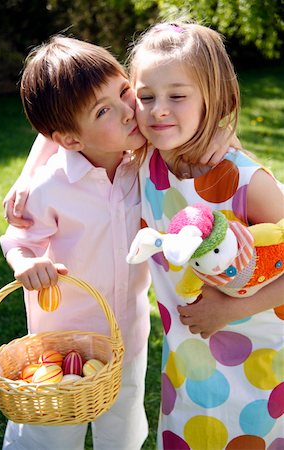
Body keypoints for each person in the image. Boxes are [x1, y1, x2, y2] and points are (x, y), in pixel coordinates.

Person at [126, 20, 284, 449]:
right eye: (145, 97)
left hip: (263, 360)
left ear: (213, 100)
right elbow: (67, 115)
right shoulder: (145, 162)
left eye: (177, 96)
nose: (158, 109)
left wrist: (233, 310)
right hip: (188, 360)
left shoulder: (249, 182)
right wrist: (32, 175)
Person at [0, 35, 152, 450]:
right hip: (63, 342)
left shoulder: (146, 165)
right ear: (69, 140)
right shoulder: (52, 187)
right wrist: (23, 262)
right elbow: (19, 239)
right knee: (49, 434)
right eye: (104, 110)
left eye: (124, 92)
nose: (126, 112)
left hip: (128, 335)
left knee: (122, 428)